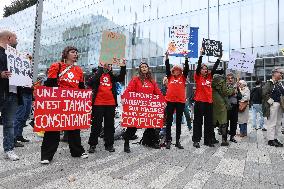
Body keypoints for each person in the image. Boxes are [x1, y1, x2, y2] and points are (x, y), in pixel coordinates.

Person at [40, 46, 88, 164]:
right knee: (53, 128)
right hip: (58, 101)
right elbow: (50, 84)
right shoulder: (57, 66)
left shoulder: (79, 70)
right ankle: (46, 155)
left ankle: (77, 151)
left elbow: (81, 88)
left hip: (72, 102)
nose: (75, 54)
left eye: (76, 52)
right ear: (65, 54)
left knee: (74, 128)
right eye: (72, 52)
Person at [123, 62, 162, 153]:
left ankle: (153, 142)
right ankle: (126, 143)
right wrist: (125, 98)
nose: (144, 68)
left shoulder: (152, 81)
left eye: (145, 67)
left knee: (151, 126)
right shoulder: (135, 80)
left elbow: (158, 93)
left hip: (148, 108)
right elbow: (129, 90)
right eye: (142, 67)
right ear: (140, 69)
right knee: (132, 127)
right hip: (138, 107)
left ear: (148, 69)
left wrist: (162, 101)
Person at [87, 60, 126, 153]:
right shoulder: (97, 75)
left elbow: (121, 77)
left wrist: (123, 66)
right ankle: (92, 144)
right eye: (105, 65)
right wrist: (101, 69)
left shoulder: (111, 76)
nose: (107, 67)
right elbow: (90, 82)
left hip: (110, 104)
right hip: (98, 104)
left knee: (109, 125)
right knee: (96, 125)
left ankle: (109, 144)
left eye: (109, 65)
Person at [192, 47, 222, 148]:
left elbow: (214, 68)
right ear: (200, 70)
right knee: (198, 122)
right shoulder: (197, 76)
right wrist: (201, 55)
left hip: (209, 102)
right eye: (203, 69)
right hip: (199, 102)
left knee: (209, 123)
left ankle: (208, 140)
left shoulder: (209, 77)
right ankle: (196, 140)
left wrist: (219, 58)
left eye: (206, 69)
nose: (205, 70)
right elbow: (197, 67)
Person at [0, 30, 21, 161]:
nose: (17, 40)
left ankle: (9, 149)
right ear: (9, 38)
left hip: (12, 92)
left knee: (9, 123)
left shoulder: (14, 55)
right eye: (15, 38)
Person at [164, 51, 189, 149]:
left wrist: (186, 59)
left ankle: (177, 141)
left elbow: (186, 69)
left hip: (180, 102)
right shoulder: (169, 77)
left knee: (178, 121)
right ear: (172, 71)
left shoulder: (183, 77)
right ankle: (168, 140)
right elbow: (167, 67)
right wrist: (166, 56)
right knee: (169, 121)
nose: (176, 71)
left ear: (181, 71)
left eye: (178, 70)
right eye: (175, 70)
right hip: (170, 101)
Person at [13, 54, 33, 147]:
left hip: (29, 93)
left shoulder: (29, 70)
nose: (29, 61)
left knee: (24, 116)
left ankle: (19, 135)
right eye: (28, 59)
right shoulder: (19, 69)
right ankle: (13, 138)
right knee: (19, 116)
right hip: (23, 93)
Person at [262, 68, 284, 147]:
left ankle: (275, 138)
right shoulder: (269, 83)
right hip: (273, 105)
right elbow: (264, 93)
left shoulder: (279, 84)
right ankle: (270, 140)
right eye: (280, 73)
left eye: (282, 73)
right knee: (272, 123)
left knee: (278, 123)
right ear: (274, 73)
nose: (282, 74)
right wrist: (272, 103)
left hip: (280, 105)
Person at [212, 74, 234, 146]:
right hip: (221, 103)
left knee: (213, 121)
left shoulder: (211, 80)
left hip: (212, 102)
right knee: (223, 121)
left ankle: (212, 138)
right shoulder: (222, 81)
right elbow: (225, 92)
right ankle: (224, 140)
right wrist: (233, 89)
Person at [226, 73, 241, 143]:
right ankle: (224, 137)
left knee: (234, 123)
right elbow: (226, 95)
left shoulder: (236, 87)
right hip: (227, 107)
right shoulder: (225, 86)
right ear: (227, 80)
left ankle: (232, 136)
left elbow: (240, 96)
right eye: (229, 78)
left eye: (232, 78)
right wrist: (233, 91)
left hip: (235, 106)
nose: (230, 79)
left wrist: (237, 93)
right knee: (225, 123)